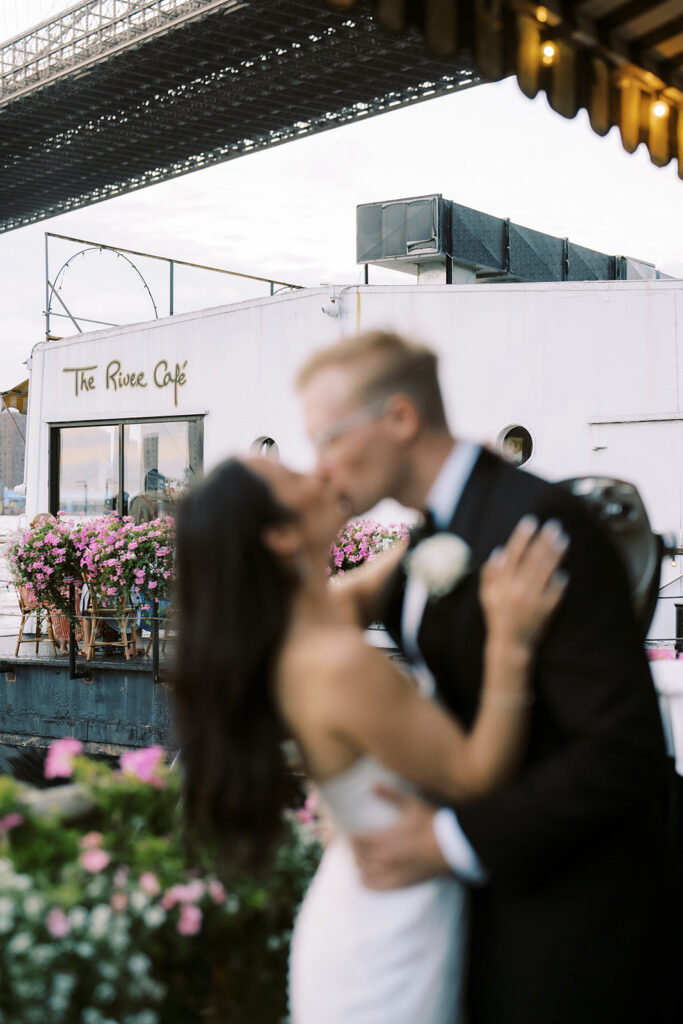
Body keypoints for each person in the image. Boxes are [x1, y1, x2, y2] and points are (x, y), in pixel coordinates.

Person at [296, 329, 676, 1024]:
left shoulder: (537, 525)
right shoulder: (426, 534)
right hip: (479, 905)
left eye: (327, 438)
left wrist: (447, 843)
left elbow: (623, 750)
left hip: (572, 915)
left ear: (400, 419)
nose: (318, 468)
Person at [173, 457, 568, 1024]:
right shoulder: (335, 664)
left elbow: (368, 584)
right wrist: (511, 645)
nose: (325, 473)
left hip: (368, 910)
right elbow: (478, 774)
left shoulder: (307, 627)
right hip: (389, 946)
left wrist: (455, 497)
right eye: (298, 475)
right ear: (282, 535)